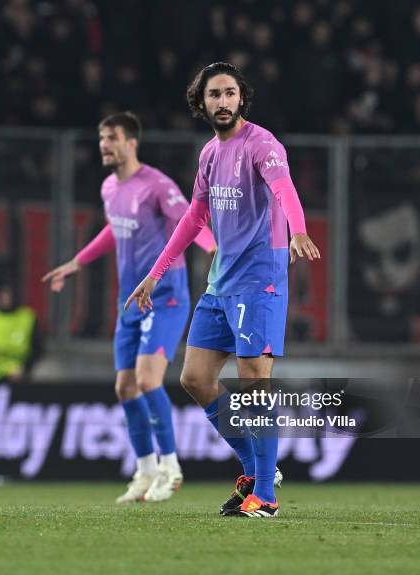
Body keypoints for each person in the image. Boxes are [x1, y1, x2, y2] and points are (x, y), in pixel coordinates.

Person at [126, 63, 320, 517]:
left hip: (260, 277)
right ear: (202, 102)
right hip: (221, 280)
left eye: (230, 93)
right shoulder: (210, 155)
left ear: (241, 99)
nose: (223, 101)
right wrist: (156, 272)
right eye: (214, 94)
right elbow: (194, 218)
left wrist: (298, 229)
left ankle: (266, 499)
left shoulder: (262, 144)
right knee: (194, 378)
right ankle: (257, 470)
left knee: (255, 378)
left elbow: (283, 186)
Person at [43, 112, 216, 504]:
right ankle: (145, 470)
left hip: (166, 295)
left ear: (131, 143)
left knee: (148, 380)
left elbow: (191, 221)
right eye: (102, 138)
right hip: (130, 301)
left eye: (112, 138)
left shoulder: (156, 185)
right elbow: (114, 228)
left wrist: (213, 251)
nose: (104, 144)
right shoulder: (109, 188)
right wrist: (78, 262)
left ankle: (171, 468)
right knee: (124, 386)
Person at [0, 278, 42, 383]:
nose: (6, 298)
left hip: (18, 373)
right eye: (2, 294)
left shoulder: (27, 317)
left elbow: (38, 349)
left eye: (9, 295)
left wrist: (25, 367)